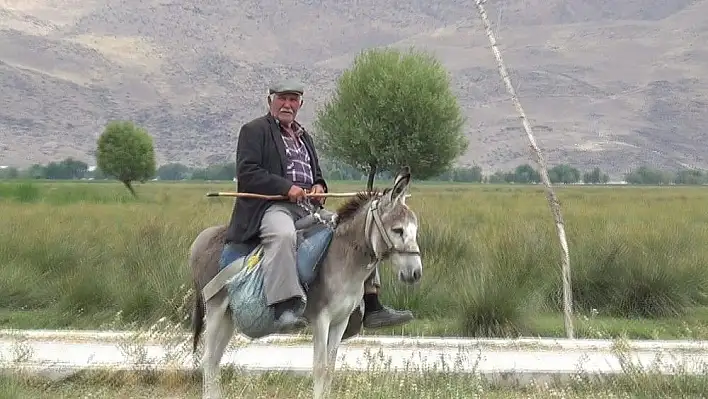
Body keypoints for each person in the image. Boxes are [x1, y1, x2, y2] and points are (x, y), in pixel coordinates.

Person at [222, 79, 414, 332]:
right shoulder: (254, 130)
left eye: (293, 99)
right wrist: (285, 188)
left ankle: (372, 302)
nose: (287, 104)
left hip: (308, 208)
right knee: (283, 234)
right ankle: (285, 308)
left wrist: (319, 188)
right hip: (272, 207)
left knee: (359, 229)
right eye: (282, 98)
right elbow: (248, 172)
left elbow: (318, 175)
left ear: (300, 103)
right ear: (270, 100)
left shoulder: (304, 136)